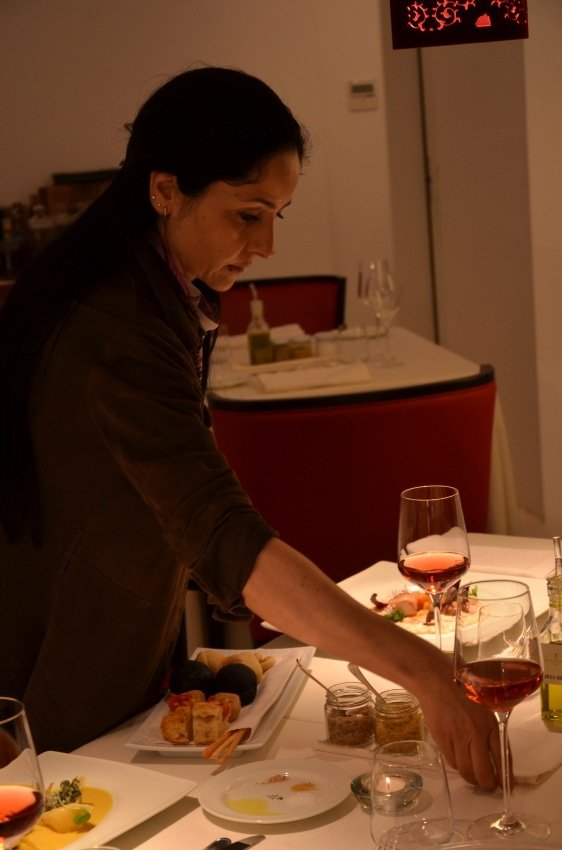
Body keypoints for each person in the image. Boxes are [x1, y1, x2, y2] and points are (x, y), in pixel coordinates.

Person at [0, 66, 499, 787]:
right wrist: (425, 671)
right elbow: (224, 536)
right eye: (247, 215)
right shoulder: (120, 326)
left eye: (277, 216)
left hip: (99, 652)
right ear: (165, 190)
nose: (267, 246)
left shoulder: (141, 285)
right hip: (55, 680)